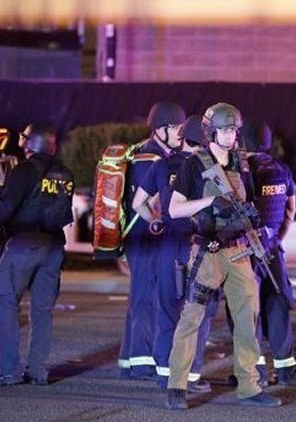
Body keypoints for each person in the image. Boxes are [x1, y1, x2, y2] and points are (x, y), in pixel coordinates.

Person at [165, 103, 282, 410]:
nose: (231, 135)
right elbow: (174, 209)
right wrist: (211, 203)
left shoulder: (242, 165)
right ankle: (177, 386)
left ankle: (249, 385)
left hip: (240, 252)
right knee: (191, 319)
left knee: (247, 320)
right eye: (225, 129)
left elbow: (249, 202)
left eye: (234, 130)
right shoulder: (193, 164)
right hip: (207, 253)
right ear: (210, 131)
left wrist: (253, 218)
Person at [0, 123, 74, 387]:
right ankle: (38, 372)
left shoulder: (24, 170)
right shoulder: (65, 174)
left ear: (32, 143)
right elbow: (65, 215)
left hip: (24, 244)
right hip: (54, 248)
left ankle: (8, 370)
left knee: (4, 299)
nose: (21, 143)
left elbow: (7, 206)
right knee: (42, 311)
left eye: (24, 139)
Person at [133, 114, 216, 392]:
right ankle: (190, 375)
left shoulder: (162, 164)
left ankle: (164, 373)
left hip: (169, 244)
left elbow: (137, 204)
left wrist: (154, 220)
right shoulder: (208, 168)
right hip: (198, 244)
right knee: (196, 311)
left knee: (167, 308)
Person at [118, 101, 186, 380]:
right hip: (145, 238)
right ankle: (142, 362)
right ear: (161, 129)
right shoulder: (151, 160)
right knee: (146, 299)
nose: (181, 133)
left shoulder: (142, 154)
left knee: (141, 298)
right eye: (176, 128)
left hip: (141, 238)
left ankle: (130, 358)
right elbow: (149, 202)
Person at [241, 120, 296, 385]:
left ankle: (256, 373)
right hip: (273, 247)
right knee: (277, 304)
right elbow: (290, 211)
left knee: (246, 309)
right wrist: (277, 239)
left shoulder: (241, 170)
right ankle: (286, 370)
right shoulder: (282, 170)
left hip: (245, 250)